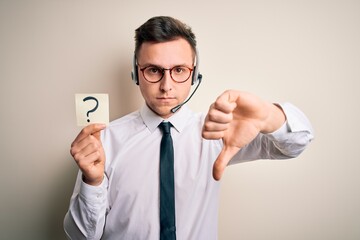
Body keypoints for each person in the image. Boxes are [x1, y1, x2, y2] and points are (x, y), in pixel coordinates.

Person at [64, 16, 314, 240]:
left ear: (194, 75)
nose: (166, 86)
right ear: (136, 74)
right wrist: (92, 181)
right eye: (153, 70)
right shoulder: (105, 140)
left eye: (179, 70)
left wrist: (269, 115)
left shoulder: (219, 130)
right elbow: (81, 236)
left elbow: (297, 144)